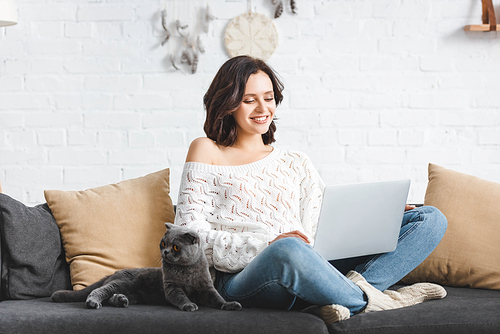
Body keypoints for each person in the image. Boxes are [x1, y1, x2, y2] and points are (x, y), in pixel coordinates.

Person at [174, 55, 448, 325]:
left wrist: (378, 215)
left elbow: (322, 222)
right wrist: (268, 245)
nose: (262, 108)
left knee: (430, 218)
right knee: (289, 249)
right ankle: (379, 301)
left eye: (268, 98)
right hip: (242, 277)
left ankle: (338, 297)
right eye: (249, 100)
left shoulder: (296, 160)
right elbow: (187, 238)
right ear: (229, 103)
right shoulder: (206, 149)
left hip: (312, 264)